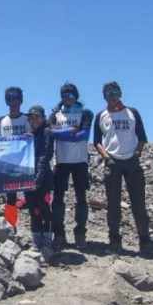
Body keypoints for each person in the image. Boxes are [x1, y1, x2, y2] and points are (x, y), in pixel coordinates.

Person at [93, 81, 153, 253]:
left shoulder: (132, 113)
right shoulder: (100, 115)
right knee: (113, 203)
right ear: (104, 97)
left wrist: (137, 154)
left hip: (131, 161)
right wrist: (107, 157)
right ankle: (114, 240)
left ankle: (144, 241)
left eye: (114, 92)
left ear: (120, 93)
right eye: (108, 94)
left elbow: (142, 137)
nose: (112, 96)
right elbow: (96, 141)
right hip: (112, 162)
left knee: (139, 203)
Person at [48, 83, 94, 250]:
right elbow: (51, 132)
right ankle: (59, 233)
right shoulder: (55, 115)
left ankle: (80, 232)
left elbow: (85, 135)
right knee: (58, 197)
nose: (67, 99)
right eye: (64, 96)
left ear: (76, 96)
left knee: (81, 197)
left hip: (80, 161)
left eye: (70, 96)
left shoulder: (85, 113)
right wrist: (71, 132)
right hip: (61, 161)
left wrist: (63, 135)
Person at [0, 87, 32, 228]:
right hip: (8, 167)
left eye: (16, 98)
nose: (14, 102)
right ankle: (11, 228)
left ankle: (36, 231)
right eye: (10, 99)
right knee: (11, 199)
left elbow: (43, 134)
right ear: (6, 101)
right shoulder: (1, 121)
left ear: (21, 100)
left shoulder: (29, 119)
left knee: (33, 199)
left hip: (28, 166)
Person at [25, 105, 54, 262]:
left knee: (44, 209)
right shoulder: (31, 135)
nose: (34, 120)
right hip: (29, 177)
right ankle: (36, 241)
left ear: (43, 118)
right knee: (32, 209)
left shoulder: (47, 133)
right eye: (31, 117)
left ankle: (48, 242)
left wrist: (39, 178)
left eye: (37, 117)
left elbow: (46, 155)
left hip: (42, 179)